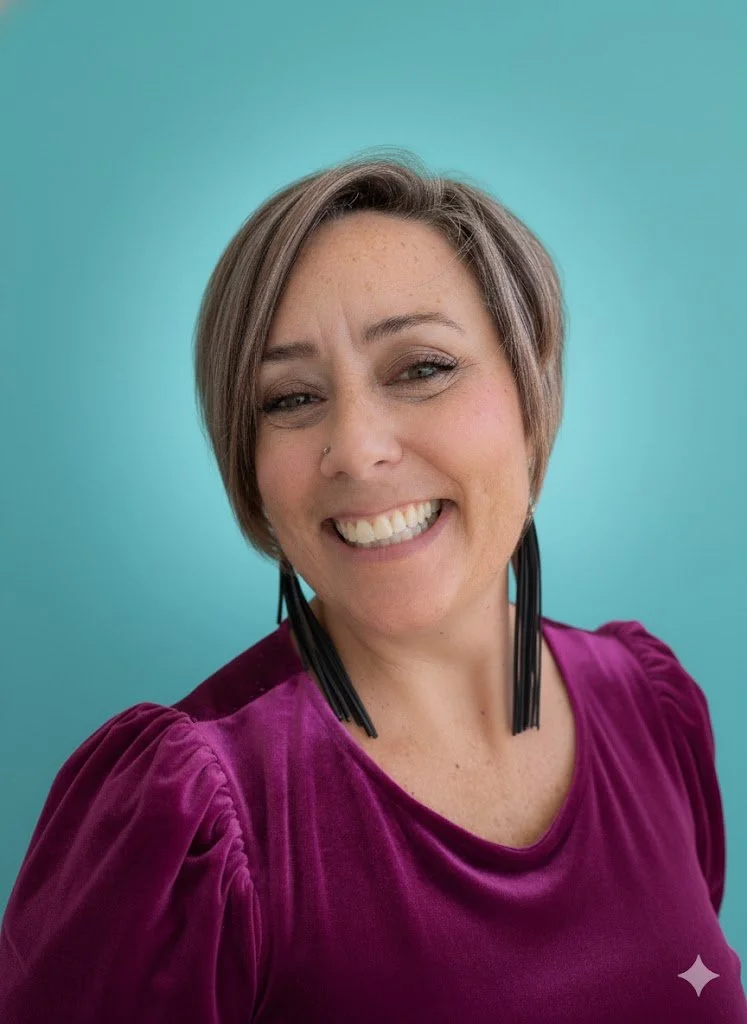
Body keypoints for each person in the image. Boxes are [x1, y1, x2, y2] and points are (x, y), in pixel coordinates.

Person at [1, 150, 745, 1023]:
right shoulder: (185, 817)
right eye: (288, 399)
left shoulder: (650, 706)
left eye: (420, 368)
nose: (354, 449)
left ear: (532, 391)